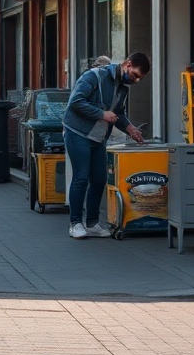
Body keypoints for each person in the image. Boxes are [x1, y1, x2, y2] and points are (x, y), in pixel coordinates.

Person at [63, 52, 148, 239]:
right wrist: (102, 114)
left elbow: (118, 113)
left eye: (139, 79)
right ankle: (75, 223)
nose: (135, 80)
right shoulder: (94, 76)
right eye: (135, 75)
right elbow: (76, 102)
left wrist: (130, 128)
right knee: (81, 178)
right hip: (78, 132)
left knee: (99, 180)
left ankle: (92, 223)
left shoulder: (123, 88)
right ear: (127, 64)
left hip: (98, 137)